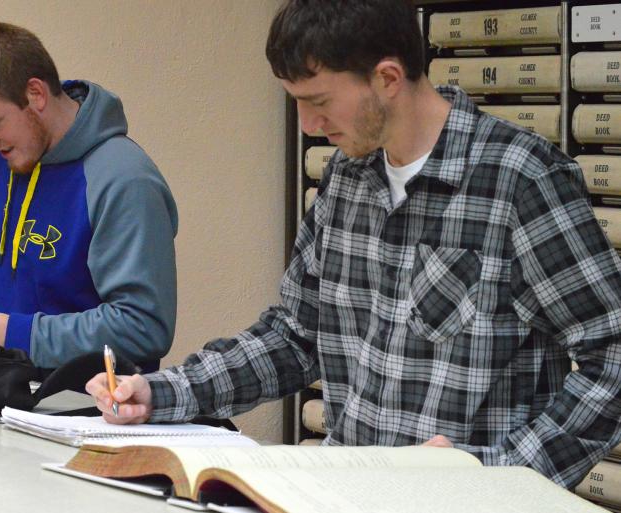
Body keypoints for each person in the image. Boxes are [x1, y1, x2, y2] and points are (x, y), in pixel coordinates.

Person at [86, 0, 621, 489]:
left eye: (319, 101)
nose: (309, 124)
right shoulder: (345, 179)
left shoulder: (520, 178)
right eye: (295, 101)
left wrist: (495, 473)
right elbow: (296, 336)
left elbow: (611, 357)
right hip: (349, 491)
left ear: (387, 78)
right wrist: (163, 392)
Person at [0, 20, 178, 371]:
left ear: (35, 94)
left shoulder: (123, 178)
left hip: (88, 413)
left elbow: (144, 327)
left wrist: (17, 334)